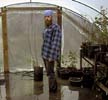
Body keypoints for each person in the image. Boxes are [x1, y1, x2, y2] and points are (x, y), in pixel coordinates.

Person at [41, 10, 62, 92]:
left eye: (48, 16)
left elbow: (56, 43)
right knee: (49, 73)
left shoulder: (55, 27)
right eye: (45, 17)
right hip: (45, 54)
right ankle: (53, 87)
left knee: (51, 73)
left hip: (50, 55)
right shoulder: (47, 27)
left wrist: (52, 57)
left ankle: (53, 91)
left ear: (52, 17)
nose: (47, 18)